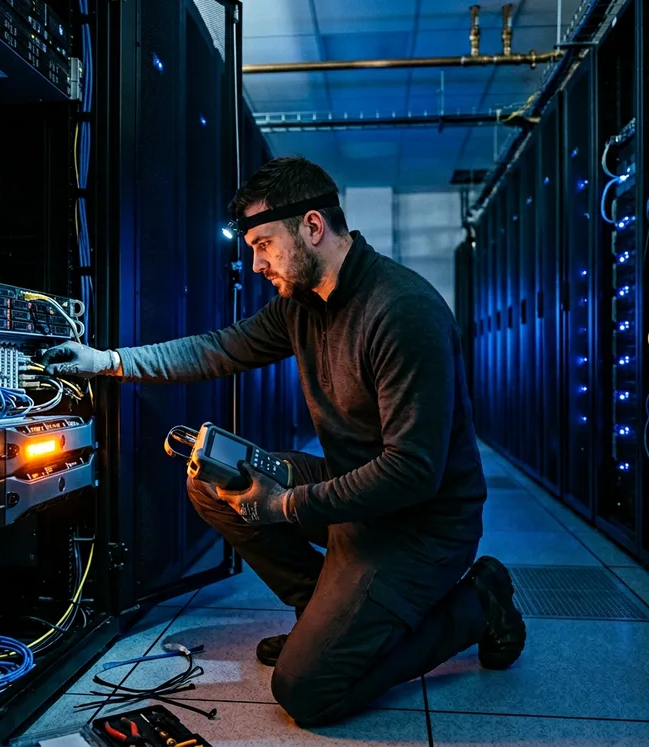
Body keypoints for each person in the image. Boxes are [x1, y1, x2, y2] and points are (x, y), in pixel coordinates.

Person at [40, 156, 526, 726]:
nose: (255, 263)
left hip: (420, 526)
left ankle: (478, 603)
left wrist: (286, 504)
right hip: (352, 497)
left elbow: (412, 471)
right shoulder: (302, 305)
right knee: (211, 480)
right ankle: (318, 609)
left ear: (312, 226)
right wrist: (106, 361)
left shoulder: (402, 311)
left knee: (308, 692)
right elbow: (219, 348)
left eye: (264, 244)